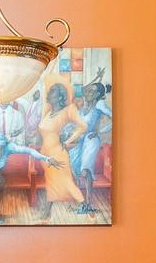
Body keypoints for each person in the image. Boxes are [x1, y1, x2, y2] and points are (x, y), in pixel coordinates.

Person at [37, 80, 88, 209]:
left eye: (53, 92)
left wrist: (68, 141)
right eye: (49, 92)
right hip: (45, 154)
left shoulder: (67, 110)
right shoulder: (47, 113)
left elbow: (83, 126)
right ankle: (47, 215)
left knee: (67, 183)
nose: (49, 95)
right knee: (51, 184)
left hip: (57, 153)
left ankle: (87, 208)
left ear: (60, 97)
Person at [71, 80, 113, 214]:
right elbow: (83, 89)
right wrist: (96, 78)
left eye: (92, 91)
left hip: (91, 140)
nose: (88, 92)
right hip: (80, 141)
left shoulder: (99, 106)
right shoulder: (84, 106)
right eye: (89, 90)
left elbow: (115, 117)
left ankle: (88, 203)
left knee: (85, 171)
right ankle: (81, 203)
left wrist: (99, 131)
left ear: (98, 95)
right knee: (75, 170)